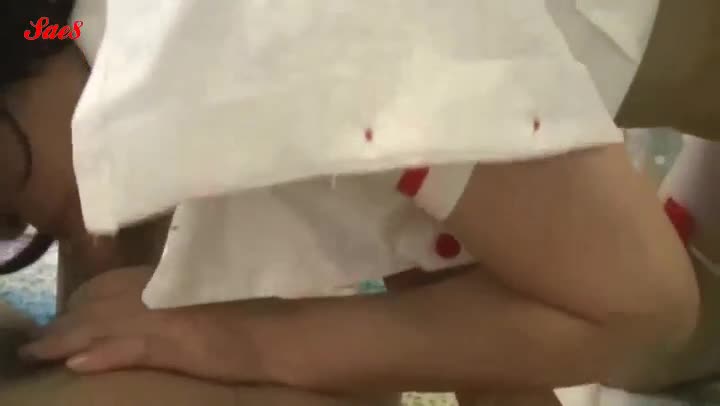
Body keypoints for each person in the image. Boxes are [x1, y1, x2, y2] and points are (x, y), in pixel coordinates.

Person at [0, 0, 712, 405]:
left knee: (643, 348)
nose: (36, 226)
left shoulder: (296, 38)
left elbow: (645, 312)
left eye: (11, 198)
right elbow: (445, 266)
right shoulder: (90, 56)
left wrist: (240, 340)